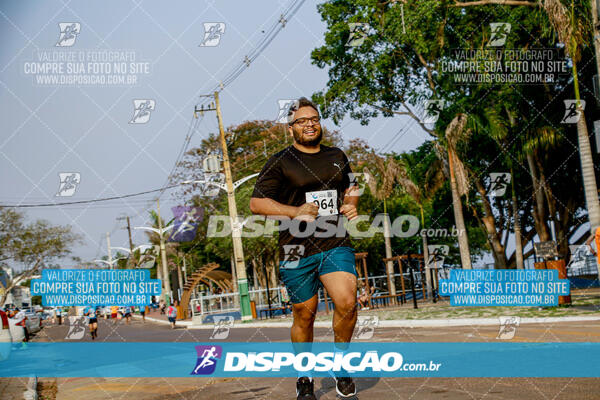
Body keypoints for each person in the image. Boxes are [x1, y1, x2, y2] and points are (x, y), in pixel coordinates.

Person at [250, 97, 360, 399]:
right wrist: (293, 211)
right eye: (302, 121)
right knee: (304, 313)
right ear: (291, 129)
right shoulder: (279, 162)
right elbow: (256, 203)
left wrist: (350, 204)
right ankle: (304, 375)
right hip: (295, 247)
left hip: (334, 239)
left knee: (347, 301)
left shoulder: (337, 155)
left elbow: (352, 186)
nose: (310, 124)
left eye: (314, 119)